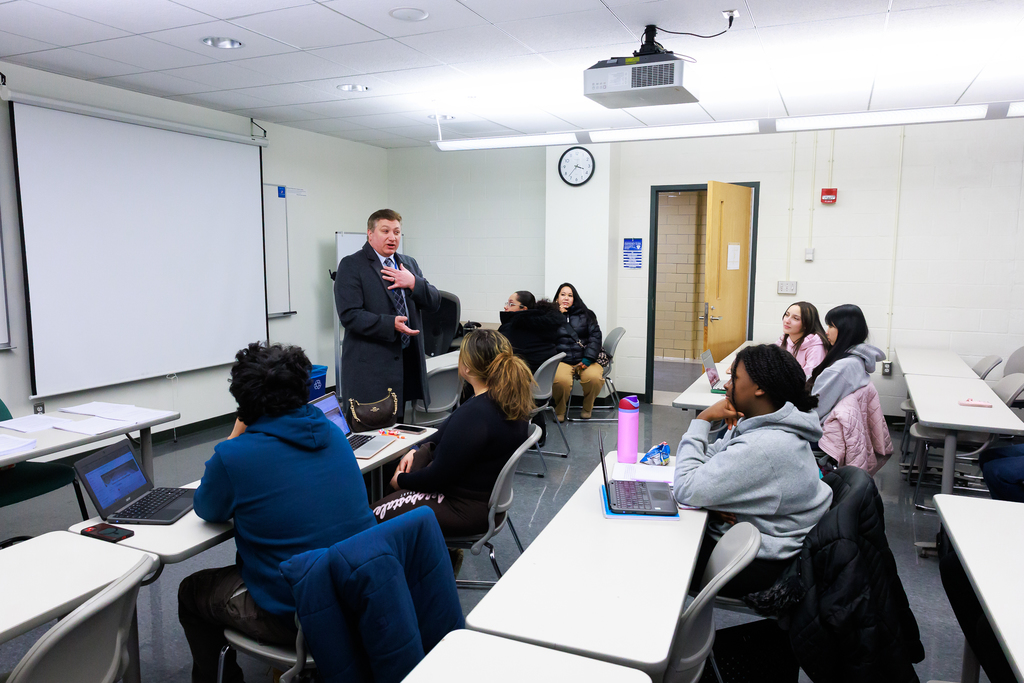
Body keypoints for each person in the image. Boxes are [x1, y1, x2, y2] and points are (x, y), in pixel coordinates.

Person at [178, 342, 377, 683]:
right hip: (357, 598)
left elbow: (207, 508)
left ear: (244, 402)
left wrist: (235, 434)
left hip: (296, 615)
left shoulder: (235, 456)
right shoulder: (332, 433)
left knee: (192, 592)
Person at [674, 343, 833, 597]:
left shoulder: (762, 446)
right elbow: (716, 455)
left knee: (658, 547)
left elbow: (685, 487)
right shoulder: (764, 423)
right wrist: (713, 493)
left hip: (757, 563)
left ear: (759, 388)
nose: (726, 385)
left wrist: (702, 420)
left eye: (734, 378)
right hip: (763, 543)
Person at [372, 329, 532, 537]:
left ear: (466, 367)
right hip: (483, 504)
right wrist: (414, 449)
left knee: (370, 517)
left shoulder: (474, 414)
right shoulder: (505, 401)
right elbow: (441, 434)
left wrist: (400, 480)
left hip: (462, 508)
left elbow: (434, 479)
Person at [334, 208, 441, 425]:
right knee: (369, 433)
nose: (392, 237)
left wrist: (413, 283)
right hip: (371, 369)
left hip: (406, 364)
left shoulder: (408, 264)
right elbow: (349, 315)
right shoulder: (352, 265)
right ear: (370, 234)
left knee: (399, 432)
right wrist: (389, 324)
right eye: (385, 231)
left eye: (397, 232)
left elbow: (434, 302)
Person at [808, 304, 885, 421]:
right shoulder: (857, 359)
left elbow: (814, 411)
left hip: (817, 431)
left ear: (846, 329)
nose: (826, 332)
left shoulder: (841, 368)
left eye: (831, 326)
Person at [551, 282, 604, 421]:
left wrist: (587, 359)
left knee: (594, 378)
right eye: (562, 294)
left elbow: (595, 338)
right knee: (560, 381)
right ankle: (560, 411)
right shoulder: (549, 316)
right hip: (562, 360)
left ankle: (587, 408)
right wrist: (556, 316)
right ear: (557, 298)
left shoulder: (587, 315)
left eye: (570, 295)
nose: (566, 298)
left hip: (586, 358)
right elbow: (545, 337)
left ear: (575, 299)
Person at [498, 291, 564, 374]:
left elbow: (495, 353)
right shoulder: (544, 325)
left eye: (511, 304)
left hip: (520, 378)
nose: (505, 307)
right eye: (507, 303)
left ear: (524, 309)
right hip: (539, 378)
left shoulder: (514, 329)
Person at [776, 301, 829, 379]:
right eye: (787, 315)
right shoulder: (783, 339)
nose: (787, 321)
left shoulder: (816, 346)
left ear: (807, 324)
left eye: (795, 318)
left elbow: (810, 378)